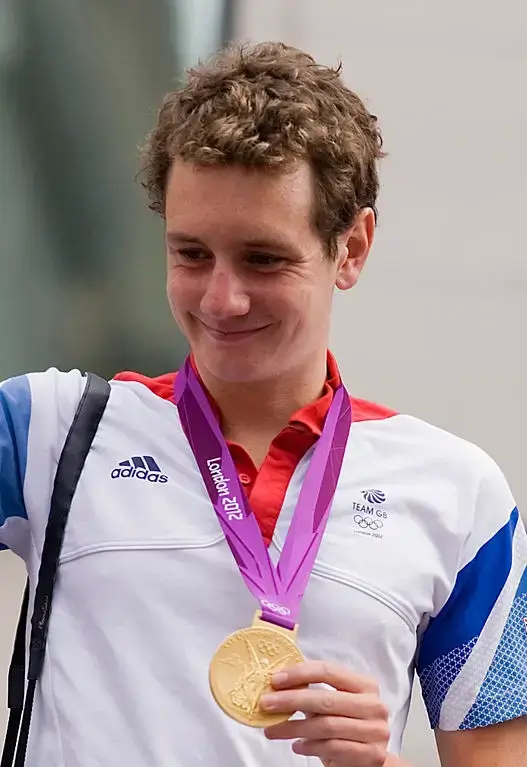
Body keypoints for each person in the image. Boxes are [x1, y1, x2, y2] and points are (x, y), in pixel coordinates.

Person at [1, 41, 526, 767]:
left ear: (351, 249)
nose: (221, 298)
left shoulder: (459, 495)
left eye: (263, 258)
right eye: (190, 254)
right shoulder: (50, 432)